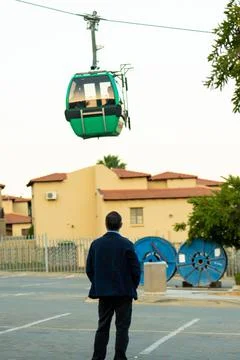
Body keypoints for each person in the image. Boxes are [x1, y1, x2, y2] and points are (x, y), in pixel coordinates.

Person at [86, 211, 141, 360]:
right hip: (124, 293)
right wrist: (131, 286)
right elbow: (136, 270)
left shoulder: (96, 244)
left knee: (103, 326)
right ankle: (119, 356)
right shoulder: (127, 244)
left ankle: (98, 357)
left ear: (105, 224)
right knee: (122, 328)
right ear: (121, 225)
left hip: (104, 293)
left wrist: (99, 284)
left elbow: (89, 269)